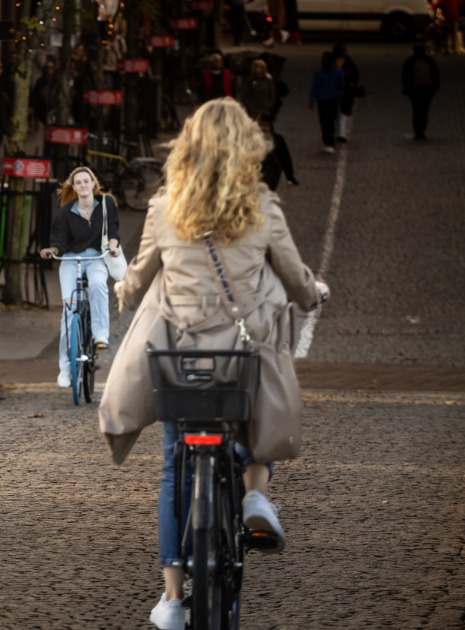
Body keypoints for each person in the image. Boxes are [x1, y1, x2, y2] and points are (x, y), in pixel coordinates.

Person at [96, 99, 329, 630]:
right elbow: (296, 281)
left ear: (187, 148)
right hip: (240, 361)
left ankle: (173, 599)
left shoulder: (163, 208)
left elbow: (133, 289)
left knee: (174, 462)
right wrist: (314, 293)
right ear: (249, 150)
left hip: (178, 364)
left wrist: (122, 288)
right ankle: (253, 493)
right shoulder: (264, 208)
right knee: (257, 408)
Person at [38, 166, 120, 389]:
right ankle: (65, 368)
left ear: (93, 183)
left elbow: (113, 231)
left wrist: (113, 247)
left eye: (86, 181)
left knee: (97, 285)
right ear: (73, 188)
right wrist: (52, 250)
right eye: (79, 183)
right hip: (71, 259)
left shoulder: (106, 204)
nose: (83, 185)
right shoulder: (66, 212)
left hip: (96, 257)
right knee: (69, 312)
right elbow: (59, 240)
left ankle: (100, 334)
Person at [401, 42, 440, 140]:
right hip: (417, 90)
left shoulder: (411, 62)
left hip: (424, 89)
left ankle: (419, 130)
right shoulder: (427, 61)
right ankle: (419, 130)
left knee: (421, 110)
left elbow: (405, 76)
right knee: (420, 110)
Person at [309, 52, 345, 154]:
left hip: (331, 100)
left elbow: (341, 86)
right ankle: (326, 141)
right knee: (324, 122)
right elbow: (314, 87)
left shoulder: (337, 73)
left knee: (330, 122)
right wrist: (312, 99)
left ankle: (330, 142)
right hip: (322, 100)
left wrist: (337, 95)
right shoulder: (319, 73)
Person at [332, 43, 360, 143]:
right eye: (341, 50)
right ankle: (337, 131)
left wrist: (352, 84)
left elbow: (355, 75)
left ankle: (342, 133)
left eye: (344, 50)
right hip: (333, 90)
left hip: (345, 90)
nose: (343, 52)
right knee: (334, 112)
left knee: (343, 112)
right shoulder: (331, 62)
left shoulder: (349, 63)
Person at [260, 120, 299, 190]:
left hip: (272, 173)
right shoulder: (250, 139)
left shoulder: (277, 139)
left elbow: (285, 158)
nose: (264, 128)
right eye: (262, 125)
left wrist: (290, 176)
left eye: (266, 125)